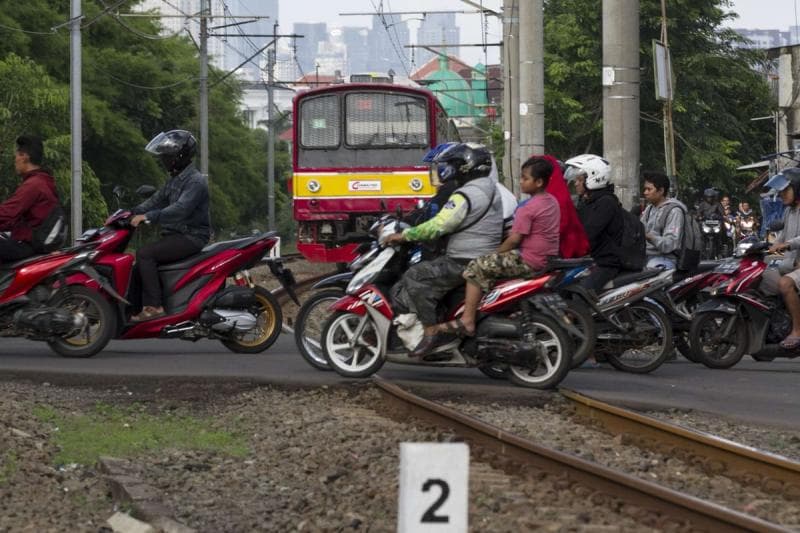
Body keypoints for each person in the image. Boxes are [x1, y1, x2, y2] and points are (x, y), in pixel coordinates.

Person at [384, 142, 503, 358]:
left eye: (452, 164)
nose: (446, 169)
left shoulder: (465, 195)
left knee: (414, 276)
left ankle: (430, 333)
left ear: (465, 167)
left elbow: (438, 225)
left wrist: (403, 235)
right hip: (484, 255)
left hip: (464, 259)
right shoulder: (490, 187)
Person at [434, 156, 560, 337]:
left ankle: (467, 319)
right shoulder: (551, 202)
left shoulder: (529, 208)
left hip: (529, 260)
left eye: (525, 178)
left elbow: (514, 240)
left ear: (539, 182)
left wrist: (494, 253)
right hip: (548, 258)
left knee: (476, 266)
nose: (522, 182)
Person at [129, 130, 211, 322]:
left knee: (145, 254)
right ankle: (131, 311)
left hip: (192, 237)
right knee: (136, 267)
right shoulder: (175, 179)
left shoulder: (195, 181)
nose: (164, 161)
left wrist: (147, 217)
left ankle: (155, 307)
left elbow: (180, 210)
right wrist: (129, 213)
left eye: (167, 157)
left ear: (179, 156)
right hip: (176, 235)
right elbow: (155, 200)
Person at [564, 154, 628, 291]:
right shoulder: (586, 201)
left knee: (579, 293)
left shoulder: (606, 202)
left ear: (594, 178)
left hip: (605, 263)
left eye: (579, 179)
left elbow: (588, 233)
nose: (575, 183)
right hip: (589, 260)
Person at [0, 135, 60, 263]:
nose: (15, 160)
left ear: (24, 156)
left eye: (16, 156)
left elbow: (8, 213)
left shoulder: (34, 185)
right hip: (31, 242)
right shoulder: (43, 181)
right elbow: (12, 220)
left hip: (27, 245)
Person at [760, 169, 800, 349]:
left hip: (796, 264)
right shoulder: (788, 212)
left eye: (786, 190)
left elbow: (787, 243)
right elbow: (780, 240)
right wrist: (764, 252)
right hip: (791, 263)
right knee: (760, 276)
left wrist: (787, 245)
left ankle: (797, 331)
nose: (782, 195)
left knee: (785, 284)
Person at [640, 171, 687, 270]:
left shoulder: (674, 211)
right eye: (645, 189)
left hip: (665, 259)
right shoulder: (649, 209)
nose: (645, 193)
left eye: (649, 189)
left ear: (661, 191)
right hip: (645, 256)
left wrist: (649, 237)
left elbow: (670, 244)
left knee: (649, 279)